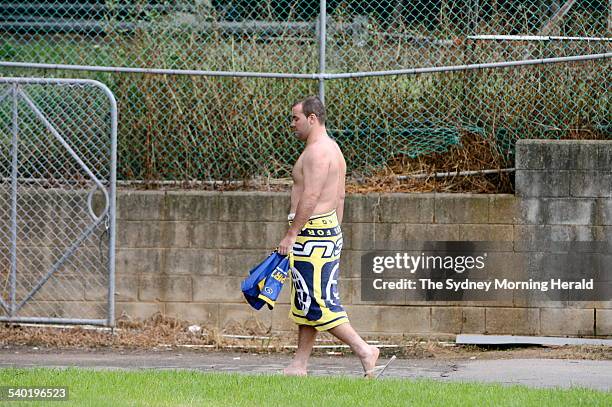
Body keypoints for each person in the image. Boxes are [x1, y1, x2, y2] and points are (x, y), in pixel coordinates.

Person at [277, 96, 385, 378]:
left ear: (312, 119)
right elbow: (339, 195)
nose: (292, 125)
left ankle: (364, 349)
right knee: (306, 300)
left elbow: (311, 196)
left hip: (312, 234)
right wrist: (335, 232)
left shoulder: (317, 152)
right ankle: (299, 364)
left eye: (296, 119)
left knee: (319, 303)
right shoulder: (333, 149)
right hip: (324, 232)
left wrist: (292, 234)